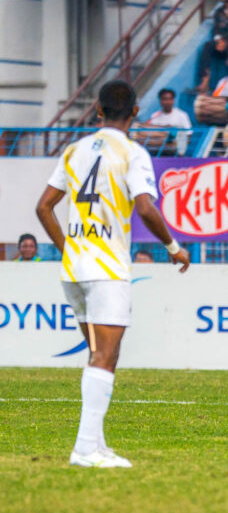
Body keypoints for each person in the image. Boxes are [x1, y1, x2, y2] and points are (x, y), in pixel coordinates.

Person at [34, 80, 190, 468]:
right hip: (106, 268)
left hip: (74, 268)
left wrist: (67, 248)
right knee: (105, 355)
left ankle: (96, 444)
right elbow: (146, 207)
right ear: (135, 112)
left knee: (101, 354)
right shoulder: (133, 153)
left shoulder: (74, 150)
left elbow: (44, 207)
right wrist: (173, 246)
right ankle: (85, 449)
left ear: (98, 110)